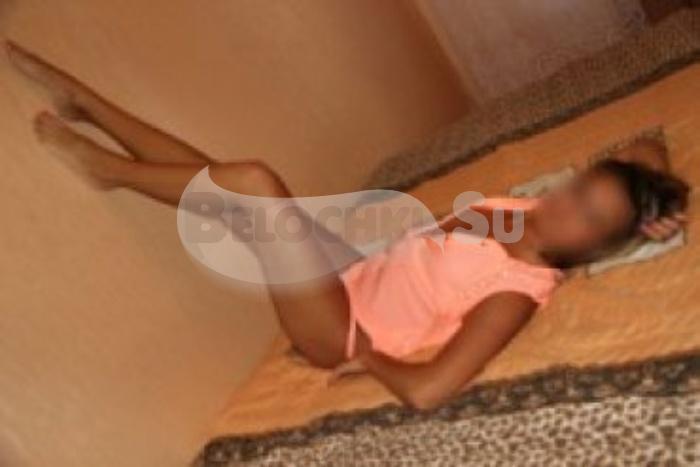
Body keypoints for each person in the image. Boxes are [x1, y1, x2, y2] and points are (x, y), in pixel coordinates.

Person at [6, 41, 689, 410]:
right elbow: (644, 143)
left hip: (345, 328)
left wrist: (372, 363)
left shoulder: (518, 290)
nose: (567, 204)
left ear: (597, 245)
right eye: (580, 188)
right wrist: (656, 199)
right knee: (230, 188)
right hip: (357, 268)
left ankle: (112, 172)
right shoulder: (528, 211)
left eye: (589, 217)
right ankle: (89, 104)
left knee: (253, 186)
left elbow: (429, 391)